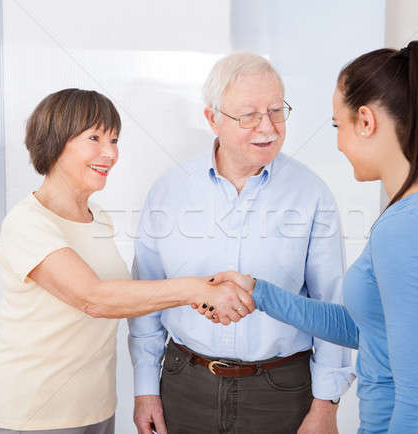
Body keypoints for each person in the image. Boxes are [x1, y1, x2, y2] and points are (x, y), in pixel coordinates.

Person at [205, 41, 418, 434]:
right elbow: (370, 329)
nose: (338, 143)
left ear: (367, 122)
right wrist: (259, 292)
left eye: (338, 126)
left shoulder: (404, 229)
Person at [0, 89, 252, 434]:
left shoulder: (97, 217)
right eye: (94, 138)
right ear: (55, 139)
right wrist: (193, 290)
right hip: (36, 413)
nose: (109, 153)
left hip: (94, 408)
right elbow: (94, 298)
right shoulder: (28, 223)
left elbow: (126, 294)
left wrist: (205, 287)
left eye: (114, 139)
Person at [128, 52, 354, 434]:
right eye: (248, 115)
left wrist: (326, 406)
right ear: (212, 119)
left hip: (282, 390)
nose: (267, 127)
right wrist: (145, 389)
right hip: (185, 385)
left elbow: (331, 306)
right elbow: (147, 298)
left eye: (276, 110)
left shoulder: (312, 194)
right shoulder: (169, 190)